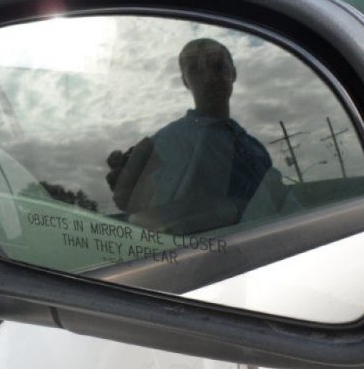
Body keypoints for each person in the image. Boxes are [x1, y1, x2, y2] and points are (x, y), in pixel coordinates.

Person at [106, 38, 294, 234]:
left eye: (218, 66)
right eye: (195, 70)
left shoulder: (254, 148)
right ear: (185, 81)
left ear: (233, 73)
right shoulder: (161, 145)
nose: (208, 78)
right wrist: (133, 193)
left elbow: (283, 205)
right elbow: (142, 209)